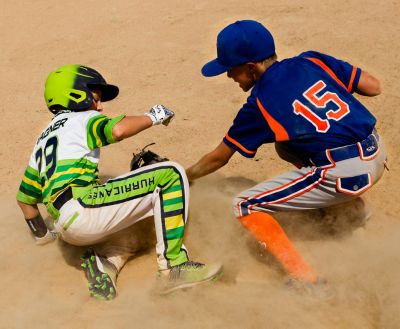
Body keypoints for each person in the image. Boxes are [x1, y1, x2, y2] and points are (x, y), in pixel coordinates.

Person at [186, 20, 387, 290]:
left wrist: (185, 176)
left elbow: (218, 157)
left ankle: (306, 281)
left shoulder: (259, 103)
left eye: (230, 69)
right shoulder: (312, 60)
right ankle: (351, 211)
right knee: (286, 145)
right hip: (377, 151)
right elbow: (373, 87)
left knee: (244, 205)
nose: (228, 76)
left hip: (345, 175)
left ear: (250, 67)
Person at [16, 64, 222, 300]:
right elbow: (118, 131)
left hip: (68, 227)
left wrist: (44, 237)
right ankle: (174, 267)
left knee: (133, 225)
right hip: (83, 207)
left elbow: (25, 201)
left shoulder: (42, 141)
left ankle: (106, 263)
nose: (100, 106)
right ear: (77, 95)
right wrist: (153, 116)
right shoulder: (81, 119)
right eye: (96, 98)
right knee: (170, 173)